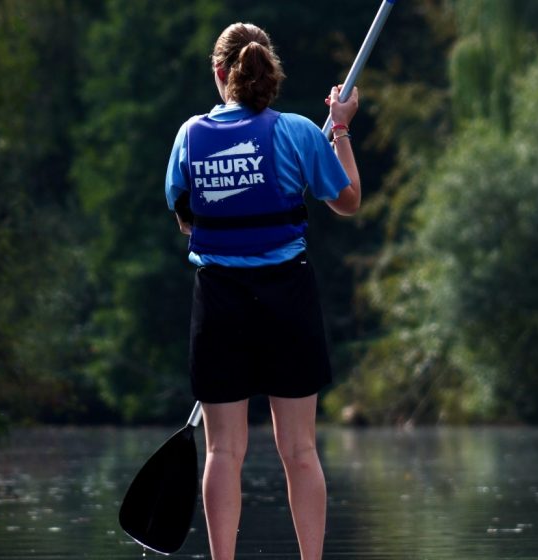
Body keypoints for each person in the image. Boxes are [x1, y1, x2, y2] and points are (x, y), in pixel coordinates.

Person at [164, 22, 360, 560]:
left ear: (220, 73)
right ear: (267, 70)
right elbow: (347, 201)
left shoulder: (189, 135)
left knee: (223, 451)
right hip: (287, 297)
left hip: (220, 299)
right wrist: (339, 130)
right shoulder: (300, 132)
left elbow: (185, 217)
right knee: (300, 450)